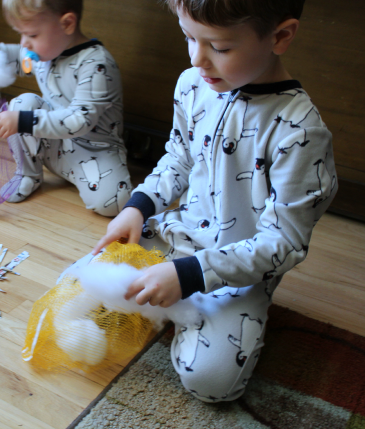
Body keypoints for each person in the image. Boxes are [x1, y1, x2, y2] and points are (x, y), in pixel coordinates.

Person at [88, 0, 337, 402]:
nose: (198, 59)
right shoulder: (191, 84)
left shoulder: (300, 131)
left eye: (219, 47)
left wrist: (189, 276)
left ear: (280, 37)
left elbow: (283, 243)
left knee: (211, 382)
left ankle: (193, 310)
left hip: (239, 268)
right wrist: (139, 205)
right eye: (189, 37)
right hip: (179, 236)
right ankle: (170, 299)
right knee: (95, 278)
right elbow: (178, 158)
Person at [0, 0, 131, 217]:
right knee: (22, 103)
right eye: (21, 34)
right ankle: (27, 174)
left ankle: (79, 174)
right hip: (55, 144)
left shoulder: (96, 65)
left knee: (115, 203)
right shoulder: (44, 52)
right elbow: (17, 56)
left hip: (95, 150)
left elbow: (80, 120)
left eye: (32, 35)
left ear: (67, 24)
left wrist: (22, 121)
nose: (25, 43)